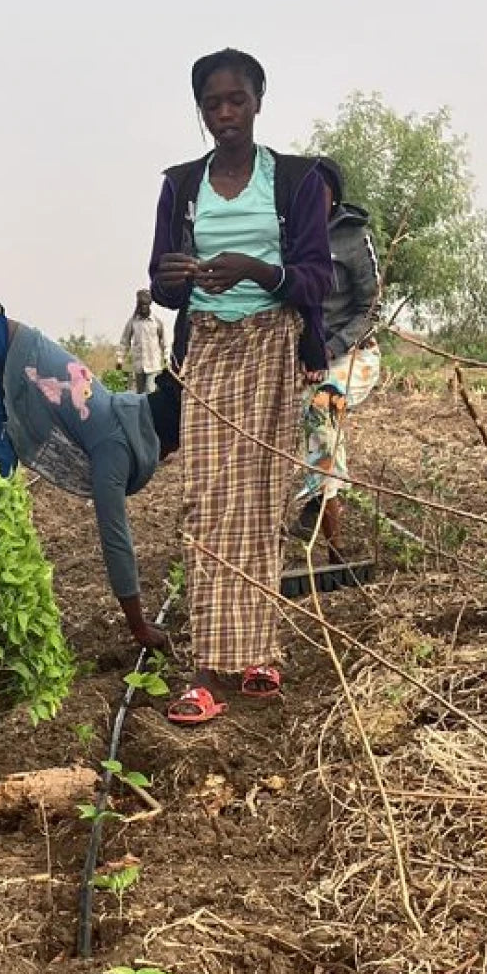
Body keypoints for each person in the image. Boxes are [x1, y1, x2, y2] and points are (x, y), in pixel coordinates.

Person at [148, 48, 332, 723]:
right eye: (212, 104)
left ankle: (257, 652)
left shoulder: (295, 180)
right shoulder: (180, 185)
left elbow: (316, 276)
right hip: (211, 350)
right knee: (207, 502)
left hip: (273, 345)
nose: (224, 114)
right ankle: (204, 669)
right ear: (200, 110)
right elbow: (163, 283)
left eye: (236, 101)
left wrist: (253, 268)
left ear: (258, 102)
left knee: (259, 498)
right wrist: (177, 277)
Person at [0, 312, 180, 650]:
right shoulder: (114, 446)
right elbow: (115, 537)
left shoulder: (121, 415)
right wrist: (139, 626)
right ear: (167, 443)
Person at [294, 157, 382, 563]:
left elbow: (371, 305)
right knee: (320, 430)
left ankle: (323, 518)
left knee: (323, 405)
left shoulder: (353, 237)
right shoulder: (289, 237)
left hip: (355, 354)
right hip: (307, 361)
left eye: (321, 189)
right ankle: (331, 543)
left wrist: (336, 346)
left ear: (334, 195)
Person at [117, 289, 168, 393]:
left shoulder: (157, 322)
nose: (143, 307)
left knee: (150, 390)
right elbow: (124, 342)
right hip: (138, 365)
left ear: (149, 305)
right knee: (140, 394)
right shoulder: (133, 322)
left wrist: (167, 358)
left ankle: (151, 409)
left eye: (145, 305)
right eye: (141, 305)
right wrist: (120, 358)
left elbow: (165, 342)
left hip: (153, 364)